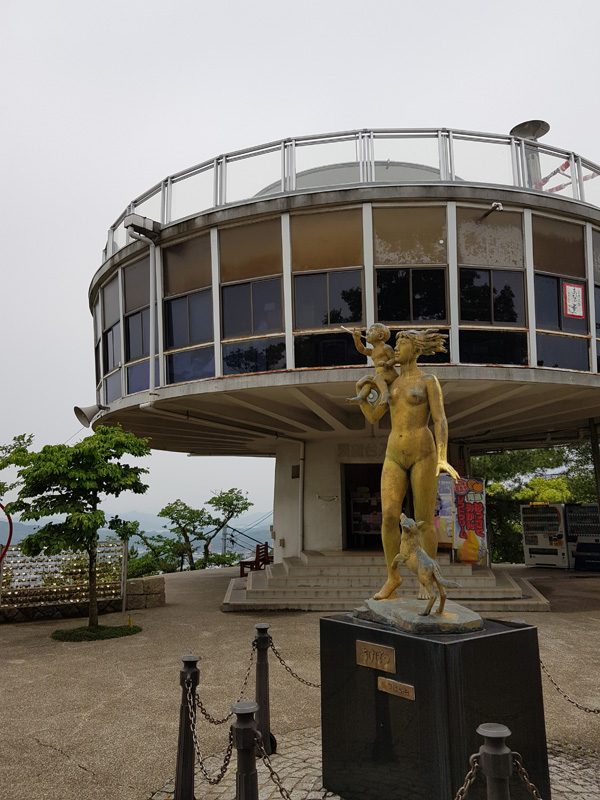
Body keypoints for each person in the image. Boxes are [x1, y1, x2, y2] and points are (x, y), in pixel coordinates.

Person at [354, 328, 459, 600]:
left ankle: (427, 580)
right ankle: (393, 576)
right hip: (393, 454)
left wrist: (443, 456)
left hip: (423, 453)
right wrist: (362, 396)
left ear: (416, 347)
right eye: (397, 342)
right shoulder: (392, 380)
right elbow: (375, 416)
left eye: (402, 342)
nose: (396, 348)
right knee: (389, 516)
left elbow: (440, 420)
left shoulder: (428, 380)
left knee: (423, 521)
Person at [347, 324, 398, 406]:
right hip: (380, 377)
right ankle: (361, 397)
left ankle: (385, 394)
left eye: (371, 331)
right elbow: (362, 349)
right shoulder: (372, 351)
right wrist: (357, 339)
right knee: (368, 383)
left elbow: (395, 358)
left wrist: (386, 364)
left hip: (390, 375)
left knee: (378, 378)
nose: (367, 333)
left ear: (380, 336)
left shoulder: (386, 347)